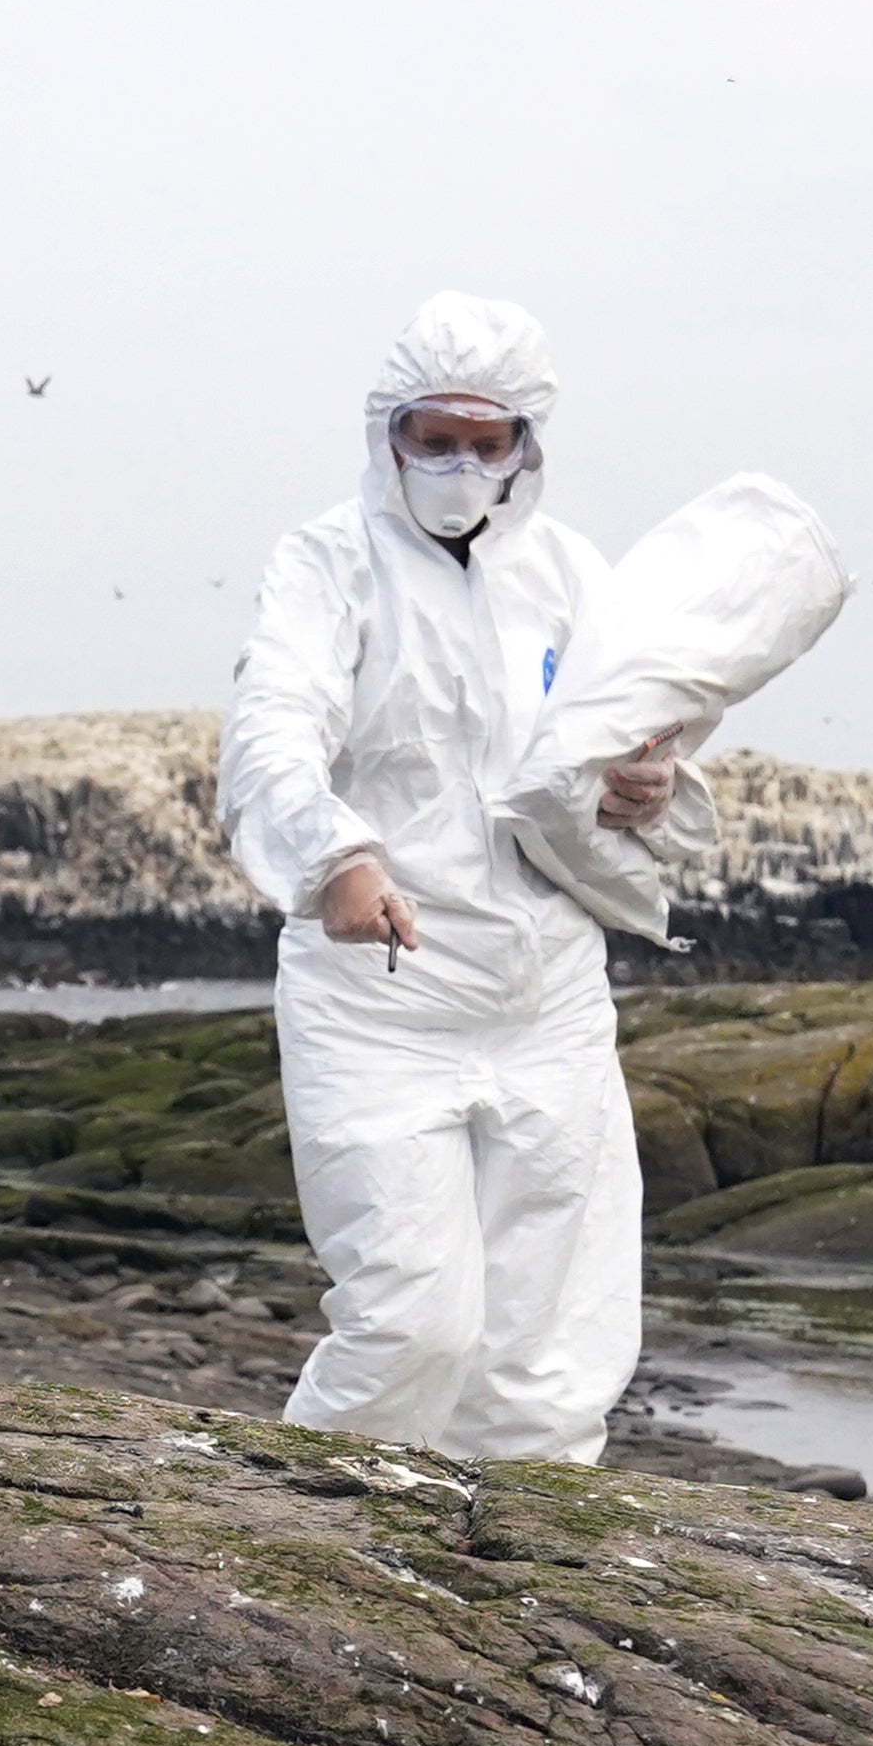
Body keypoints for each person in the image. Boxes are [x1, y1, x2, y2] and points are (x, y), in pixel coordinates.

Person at [215, 294, 683, 1460]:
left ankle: (512, 1594)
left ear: (529, 445)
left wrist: (650, 787)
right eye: (438, 437)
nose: (463, 464)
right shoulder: (330, 563)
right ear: (391, 433)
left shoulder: (577, 578)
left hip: (547, 1000)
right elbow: (274, 724)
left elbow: (636, 755)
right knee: (411, 1323)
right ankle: (298, 1559)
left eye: (490, 440)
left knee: (546, 1357)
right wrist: (338, 855)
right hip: (382, 990)